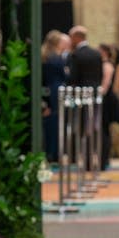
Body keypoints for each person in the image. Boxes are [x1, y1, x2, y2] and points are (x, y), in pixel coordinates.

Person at [41, 30, 69, 162]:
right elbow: (65, 76)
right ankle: (54, 153)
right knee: (56, 123)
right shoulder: (57, 58)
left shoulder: (44, 55)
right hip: (57, 92)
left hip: (48, 92)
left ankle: (49, 152)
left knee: (49, 123)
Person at [98, 43, 119, 170]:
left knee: (104, 128)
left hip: (106, 100)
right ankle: (103, 157)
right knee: (104, 128)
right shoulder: (106, 64)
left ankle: (104, 158)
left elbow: (105, 84)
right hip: (106, 98)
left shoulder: (107, 65)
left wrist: (99, 96)